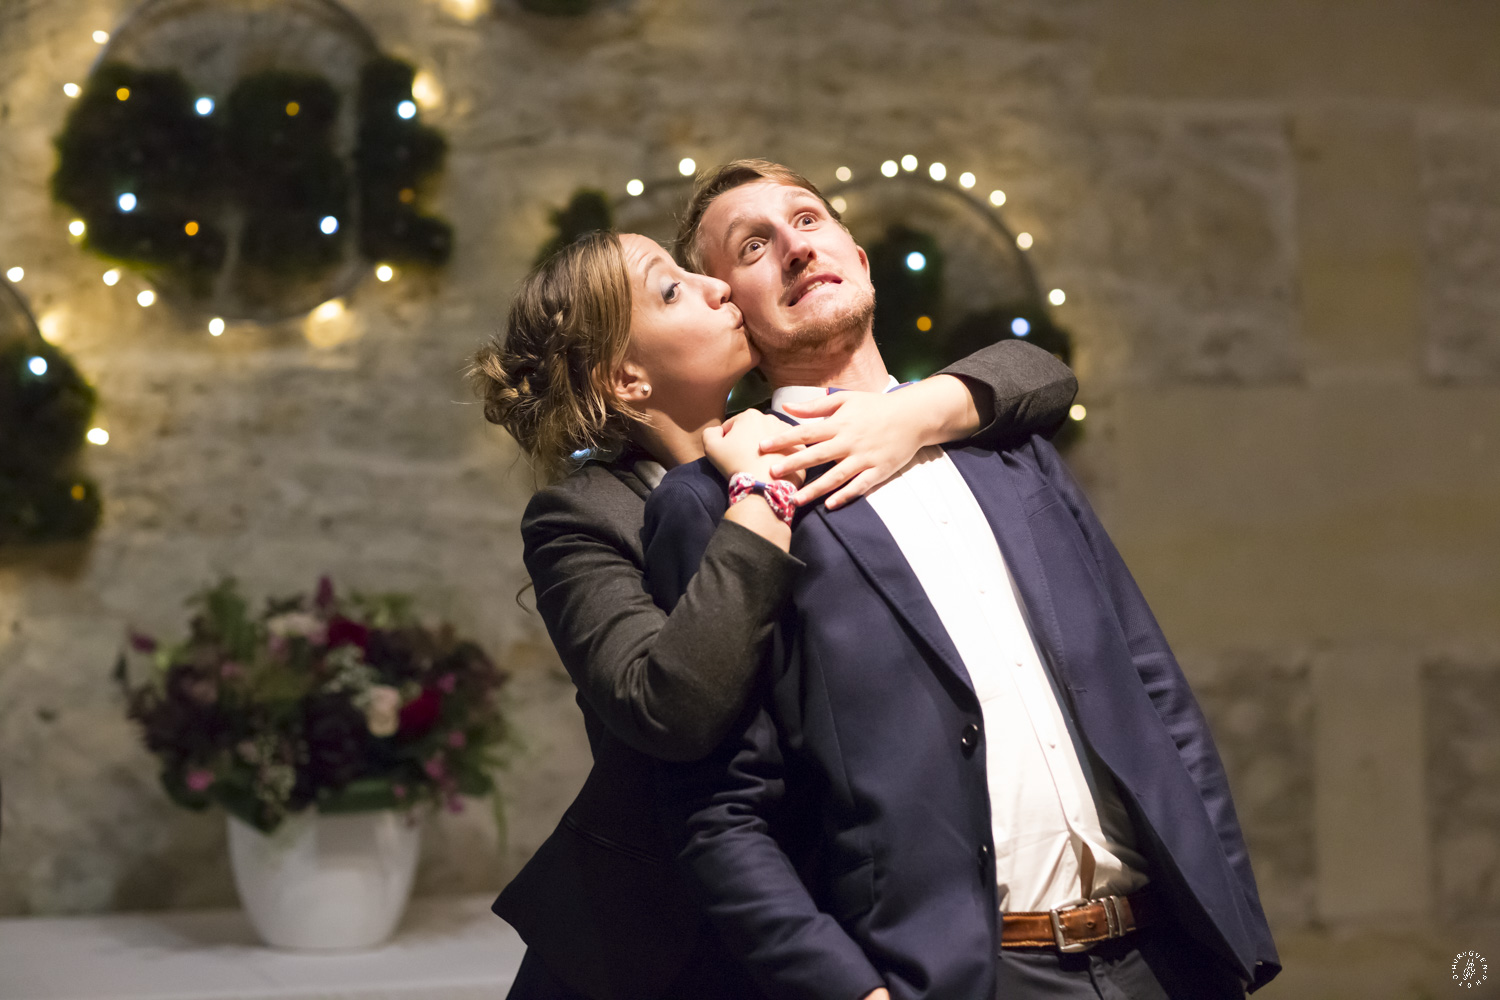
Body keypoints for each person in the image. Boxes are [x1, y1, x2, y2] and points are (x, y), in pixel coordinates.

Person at [643, 159, 1281, 1000]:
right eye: (753, 246)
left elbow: (1153, 689)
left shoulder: (1009, 450)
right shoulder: (721, 502)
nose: (795, 248)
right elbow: (722, 806)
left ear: (858, 259)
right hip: (972, 976)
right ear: (730, 308)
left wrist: (1228, 917)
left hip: (1169, 959)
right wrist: (848, 991)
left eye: (807, 220)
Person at [471, 227, 1078, 999]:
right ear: (626, 378)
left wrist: (918, 411)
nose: (718, 287)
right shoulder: (583, 517)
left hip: (831, 914)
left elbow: (1040, 375)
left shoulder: (810, 431)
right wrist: (758, 497)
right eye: (672, 288)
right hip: (659, 948)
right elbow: (669, 707)